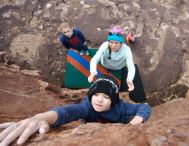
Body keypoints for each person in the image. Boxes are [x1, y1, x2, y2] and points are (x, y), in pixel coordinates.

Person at [0, 75, 151, 146]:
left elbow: (144, 106)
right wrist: (42, 117)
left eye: (106, 96)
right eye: (96, 95)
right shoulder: (87, 107)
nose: (99, 99)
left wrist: (135, 123)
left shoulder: (121, 107)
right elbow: (68, 112)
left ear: (113, 100)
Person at [88, 26, 146, 102]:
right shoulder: (104, 45)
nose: (113, 46)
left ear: (121, 43)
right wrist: (93, 72)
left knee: (130, 79)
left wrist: (129, 79)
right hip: (104, 66)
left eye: (116, 43)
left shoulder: (126, 50)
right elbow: (95, 59)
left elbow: (131, 67)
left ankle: (140, 101)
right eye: (111, 42)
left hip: (119, 68)